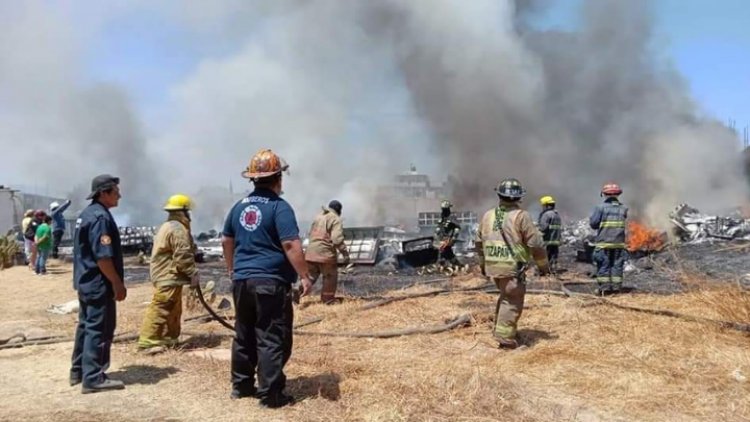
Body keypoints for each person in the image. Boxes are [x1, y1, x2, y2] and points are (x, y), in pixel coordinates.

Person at [222, 149, 312, 408]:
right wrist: (304, 275)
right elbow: (291, 245)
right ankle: (271, 394)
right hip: (270, 282)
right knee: (272, 336)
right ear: (278, 179)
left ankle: (241, 386)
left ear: (253, 179)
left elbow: (226, 240)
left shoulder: (238, 207)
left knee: (244, 333)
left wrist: (232, 269)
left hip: (242, 280)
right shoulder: (279, 207)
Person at [475, 178, 550, 349]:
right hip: (512, 268)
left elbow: (478, 243)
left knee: (505, 297)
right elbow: (536, 244)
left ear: (499, 195)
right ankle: (505, 340)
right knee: (512, 300)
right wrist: (543, 266)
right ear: (518, 198)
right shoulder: (521, 216)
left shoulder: (488, 215)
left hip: (493, 267)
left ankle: (500, 331)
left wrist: (483, 265)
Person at [70, 174, 126, 394]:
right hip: (98, 283)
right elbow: (103, 257)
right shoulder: (100, 218)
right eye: (115, 191)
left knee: (85, 325)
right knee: (100, 328)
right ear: (104, 193)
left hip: (85, 281)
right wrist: (117, 283)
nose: (119, 195)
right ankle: (94, 378)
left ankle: (78, 371)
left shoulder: (86, 214)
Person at [137, 194, 199, 353]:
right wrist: (193, 273)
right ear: (183, 212)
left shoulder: (170, 226)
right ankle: (147, 341)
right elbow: (182, 255)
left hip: (170, 275)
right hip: (168, 275)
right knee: (162, 306)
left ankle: (169, 338)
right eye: (188, 212)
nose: (190, 216)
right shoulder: (177, 229)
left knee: (173, 308)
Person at [304, 200, 350, 304]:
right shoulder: (335, 219)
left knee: (311, 276)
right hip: (325, 254)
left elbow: (310, 233)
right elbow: (337, 239)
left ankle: (298, 291)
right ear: (339, 210)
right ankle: (328, 300)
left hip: (310, 252)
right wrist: (345, 254)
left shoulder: (318, 217)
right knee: (330, 276)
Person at [589, 183, 628, 295]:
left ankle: (604, 289)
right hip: (618, 244)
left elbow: (594, 224)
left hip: (604, 243)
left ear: (604, 194)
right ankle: (616, 289)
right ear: (618, 194)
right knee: (617, 266)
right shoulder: (624, 208)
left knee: (603, 265)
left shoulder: (600, 208)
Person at [538, 196, 562, 274]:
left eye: (543, 206)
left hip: (548, 240)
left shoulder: (546, 215)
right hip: (555, 241)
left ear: (547, 205)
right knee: (553, 256)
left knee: (544, 256)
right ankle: (553, 270)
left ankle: (543, 271)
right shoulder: (557, 215)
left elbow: (543, 228)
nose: (542, 207)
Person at [435, 200, 462, 268]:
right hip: (441, 239)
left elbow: (457, 228)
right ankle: (455, 265)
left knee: (445, 253)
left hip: (448, 239)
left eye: (445, 209)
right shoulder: (442, 218)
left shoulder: (451, 217)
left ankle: (456, 266)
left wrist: (453, 238)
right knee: (446, 254)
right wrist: (436, 235)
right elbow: (439, 228)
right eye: (443, 209)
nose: (444, 211)